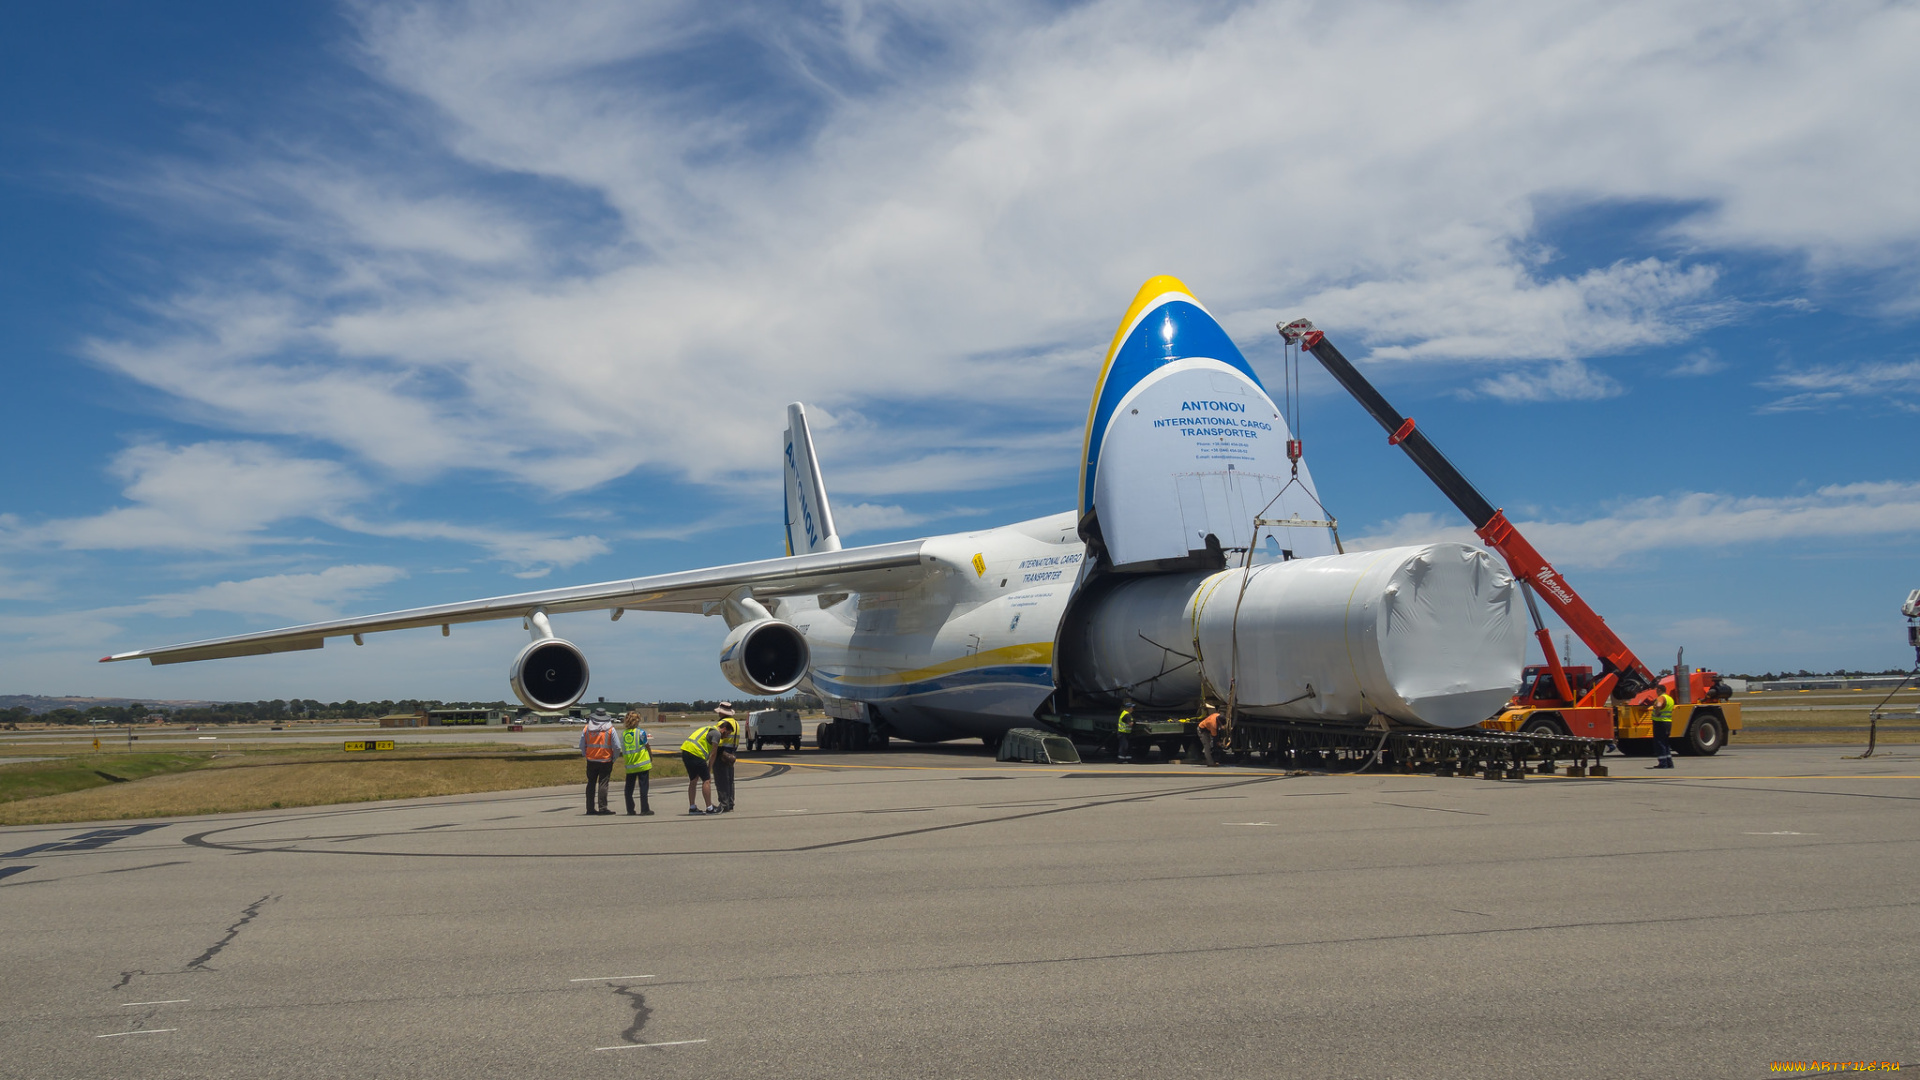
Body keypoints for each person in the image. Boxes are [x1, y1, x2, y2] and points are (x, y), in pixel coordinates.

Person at [579, 709, 619, 815]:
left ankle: (590, 808)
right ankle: (603, 807)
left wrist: (586, 755)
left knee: (591, 783)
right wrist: (614, 758)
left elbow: (581, 745)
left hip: (591, 760)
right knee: (603, 784)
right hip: (605, 760)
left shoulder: (587, 728)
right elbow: (617, 746)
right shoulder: (610, 729)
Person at [681, 718, 721, 815]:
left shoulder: (707, 728)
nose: (726, 736)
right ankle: (709, 808)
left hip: (686, 751)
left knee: (693, 780)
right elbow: (713, 754)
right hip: (696, 754)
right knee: (706, 780)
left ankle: (692, 807)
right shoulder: (717, 734)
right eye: (727, 733)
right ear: (724, 729)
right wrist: (709, 769)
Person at [621, 712, 654, 816]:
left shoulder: (624, 734)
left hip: (630, 764)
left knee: (628, 789)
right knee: (643, 787)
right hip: (642, 763)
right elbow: (646, 745)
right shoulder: (640, 732)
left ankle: (630, 809)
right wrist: (650, 755)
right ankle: (644, 809)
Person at [711, 706, 740, 813]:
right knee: (730, 781)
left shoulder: (722, 723)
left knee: (721, 780)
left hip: (721, 754)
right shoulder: (736, 723)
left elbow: (717, 740)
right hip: (731, 754)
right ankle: (730, 803)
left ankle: (724, 804)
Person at [1649, 685, 1676, 769]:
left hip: (1660, 722)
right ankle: (1669, 763)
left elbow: (1658, 705)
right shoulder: (1670, 698)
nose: (1656, 692)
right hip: (1668, 722)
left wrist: (1657, 712)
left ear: (1659, 690)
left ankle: (1663, 763)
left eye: (1657, 690)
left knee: (1660, 743)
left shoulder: (1661, 697)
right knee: (1666, 743)